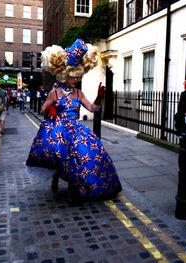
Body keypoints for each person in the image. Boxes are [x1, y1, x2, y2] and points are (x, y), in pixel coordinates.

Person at [26, 39, 122, 204]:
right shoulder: (54, 93)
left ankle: (75, 189)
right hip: (58, 129)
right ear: (64, 74)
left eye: (78, 76)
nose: (76, 79)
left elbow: (92, 108)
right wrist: (50, 110)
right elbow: (42, 110)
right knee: (65, 156)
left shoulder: (78, 93)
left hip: (75, 128)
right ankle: (61, 179)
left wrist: (100, 96)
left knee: (89, 153)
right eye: (73, 76)